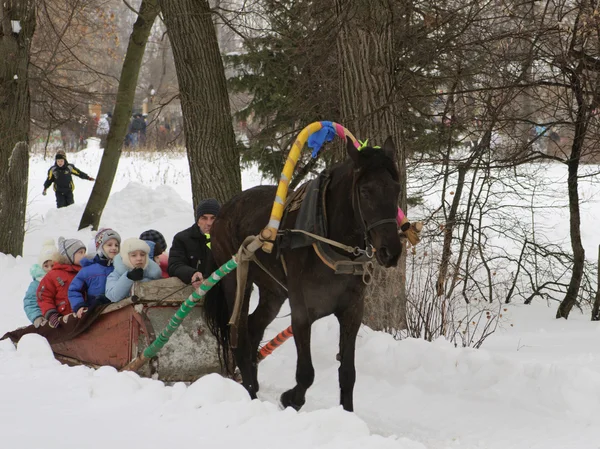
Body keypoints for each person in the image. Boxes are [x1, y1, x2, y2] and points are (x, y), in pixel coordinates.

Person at [68, 228, 121, 316]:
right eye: (109, 245)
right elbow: (74, 290)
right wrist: (79, 305)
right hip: (95, 314)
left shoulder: (119, 268)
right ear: (100, 247)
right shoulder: (88, 270)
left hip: (118, 311)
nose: (114, 248)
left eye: (116, 245)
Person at [168, 198, 220, 288]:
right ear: (198, 221)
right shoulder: (182, 238)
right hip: (192, 293)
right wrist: (192, 274)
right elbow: (174, 265)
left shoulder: (227, 239)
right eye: (204, 218)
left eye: (213, 218)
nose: (209, 223)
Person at [36, 237, 87, 328]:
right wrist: (51, 313)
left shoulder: (85, 271)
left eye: (84, 252)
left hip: (83, 315)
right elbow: (44, 296)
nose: (84, 255)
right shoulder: (53, 275)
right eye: (80, 252)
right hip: (63, 319)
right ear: (69, 255)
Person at [105, 238, 162, 303]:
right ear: (125, 257)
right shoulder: (116, 275)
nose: (139, 258)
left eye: (142, 255)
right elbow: (113, 296)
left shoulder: (154, 276)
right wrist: (128, 278)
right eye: (134, 255)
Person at [23, 240, 60, 327]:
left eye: (53, 265)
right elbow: (30, 302)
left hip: (61, 318)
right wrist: (37, 317)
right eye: (46, 266)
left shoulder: (61, 279)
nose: (50, 269)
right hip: (45, 320)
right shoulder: (37, 283)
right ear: (41, 266)